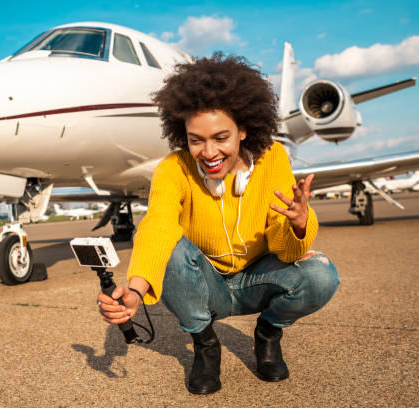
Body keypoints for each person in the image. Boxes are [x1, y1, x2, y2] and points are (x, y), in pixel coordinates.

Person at [96, 53, 339, 395]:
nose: (208, 152)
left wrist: (298, 224)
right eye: (196, 140)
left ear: (243, 130)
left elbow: (286, 251)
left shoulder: (273, 160)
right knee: (172, 249)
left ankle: (268, 333)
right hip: (206, 282)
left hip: (259, 278)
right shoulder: (173, 169)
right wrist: (135, 290)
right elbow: (157, 226)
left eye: (221, 137)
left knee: (321, 275)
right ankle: (205, 345)